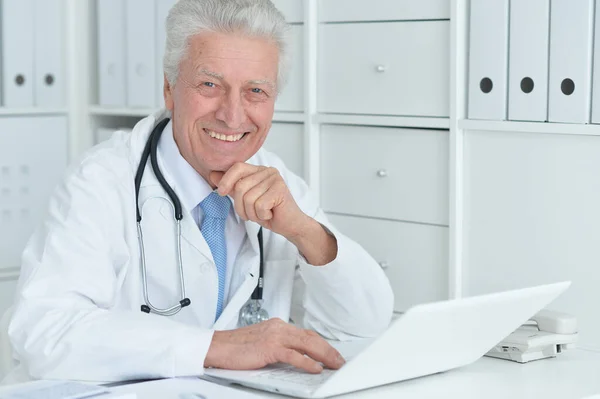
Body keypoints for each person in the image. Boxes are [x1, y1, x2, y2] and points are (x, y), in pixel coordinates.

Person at [4, 0, 393, 383]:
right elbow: (43, 333)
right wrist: (217, 347)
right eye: (210, 85)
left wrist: (304, 232)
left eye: (256, 91)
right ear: (169, 89)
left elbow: (363, 325)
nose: (232, 114)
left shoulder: (279, 183)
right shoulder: (100, 182)